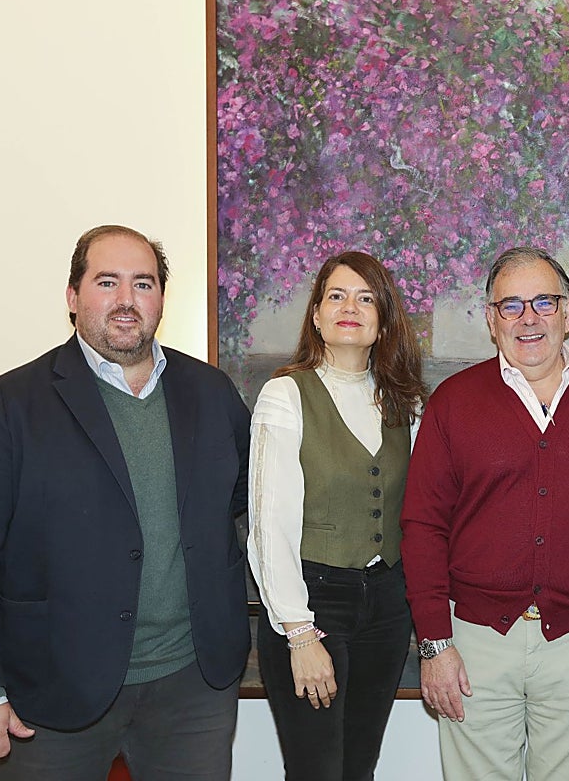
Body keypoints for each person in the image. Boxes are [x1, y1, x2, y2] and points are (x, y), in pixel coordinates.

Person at [0, 225, 252, 780]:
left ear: (160, 298)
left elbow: (241, 504)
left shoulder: (212, 393)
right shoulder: (7, 407)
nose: (127, 300)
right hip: (51, 693)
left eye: (144, 283)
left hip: (192, 688)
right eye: (107, 282)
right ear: (72, 296)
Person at [400, 246, 569, 780]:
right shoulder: (453, 401)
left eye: (544, 301)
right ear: (491, 320)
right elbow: (422, 526)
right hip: (474, 644)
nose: (529, 318)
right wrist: (435, 645)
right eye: (510, 305)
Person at [247, 251, 427, 780]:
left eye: (367, 297)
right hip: (312, 601)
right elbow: (268, 526)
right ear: (317, 316)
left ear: (383, 320)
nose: (352, 307)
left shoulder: (407, 403)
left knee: (358, 768)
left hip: (387, 607)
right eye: (337, 296)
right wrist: (299, 634)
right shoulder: (286, 396)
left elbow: (421, 513)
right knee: (316, 772)